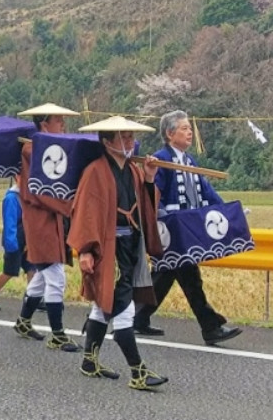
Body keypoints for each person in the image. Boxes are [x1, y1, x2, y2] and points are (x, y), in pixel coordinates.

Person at [67, 116, 168, 390]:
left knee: (103, 304)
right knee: (123, 308)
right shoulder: (95, 172)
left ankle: (89, 360)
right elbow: (85, 214)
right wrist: (86, 250)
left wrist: (148, 179)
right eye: (123, 137)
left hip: (130, 245)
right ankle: (138, 371)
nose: (129, 142)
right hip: (107, 248)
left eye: (130, 137)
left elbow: (146, 205)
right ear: (107, 142)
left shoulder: (134, 172)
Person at [133, 110, 243, 346]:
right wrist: (161, 217)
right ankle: (210, 326)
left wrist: (227, 211)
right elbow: (153, 195)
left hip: (189, 229)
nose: (190, 132)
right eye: (184, 128)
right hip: (173, 230)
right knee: (190, 278)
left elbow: (206, 192)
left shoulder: (190, 161)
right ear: (170, 134)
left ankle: (138, 317)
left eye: (189, 128)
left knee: (165, 276)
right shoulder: (162, 160)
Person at [13, 103, 81, 351]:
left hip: (52, 218)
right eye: (58, 120)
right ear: (45, 124)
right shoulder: (33, 151)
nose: (63, 125)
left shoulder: (49, 148)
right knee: (55, 275)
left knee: (43, 275)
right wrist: (68, 206)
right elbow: (38, 191)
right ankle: (58, 333)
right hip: (41, 218)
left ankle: (23, 321)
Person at [0, 173, 33, 309]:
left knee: (32, 269)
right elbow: (9, 224)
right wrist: (13, 245)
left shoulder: (27, 196)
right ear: (17, 177)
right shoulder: (12, 198)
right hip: (15, 241)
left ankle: (31, 298)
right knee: (10, 271)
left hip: (26, 239)